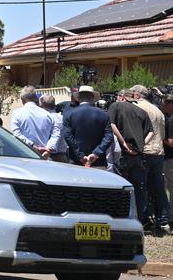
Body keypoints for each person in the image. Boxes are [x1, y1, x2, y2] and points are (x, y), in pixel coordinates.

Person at [109, 88, 154, 224]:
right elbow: (151, 132)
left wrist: (123, 142)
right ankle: (139, 219)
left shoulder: (116, 106)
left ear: (122, 97)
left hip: (123, 153)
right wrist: (140, 146)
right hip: (138, 155)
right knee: (139, 188)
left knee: (121, 187)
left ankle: (120, 219)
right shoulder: (142, 112)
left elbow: (111, 124)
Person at [132, 86, 170, 234]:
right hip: (159, 152)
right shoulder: (158, 110)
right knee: (159, 189)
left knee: (141, 187)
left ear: (137, 94)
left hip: (144, 151)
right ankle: (163, 221)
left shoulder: (137, 107)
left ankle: (144, 219)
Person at [63, 85, 113, 167]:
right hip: (98, 161)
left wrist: (80, 155)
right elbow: (109, 136)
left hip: (76, 161)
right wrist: (96, 153)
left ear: (78, 98)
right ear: (93, 98)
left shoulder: (69, 114)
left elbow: (68, 136)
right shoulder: (104, 114)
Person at [9, 86, 56, 159]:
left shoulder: (16, 113)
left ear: (22, 99)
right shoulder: (47, 114)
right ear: (35, 98)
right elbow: (55, 134)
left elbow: (16, 134)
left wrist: (33, 146)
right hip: (44, 155)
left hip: (24, 155)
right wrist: (48, 149)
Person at [39, 95, 69, 162]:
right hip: (62, 155)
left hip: (47, 155)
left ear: (42, 105)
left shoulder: (43, 119)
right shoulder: (62, 118)